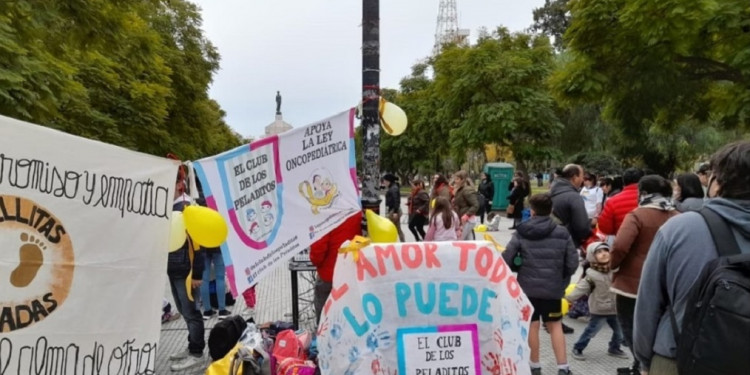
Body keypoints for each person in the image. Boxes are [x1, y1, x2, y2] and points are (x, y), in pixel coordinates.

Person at [634, 141, 750, 375]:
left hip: (678, 358)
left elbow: (648, 304)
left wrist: (645, 361)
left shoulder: (680, 228)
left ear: (718, 182)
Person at [503, 193, 578, 375]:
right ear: (551, 210)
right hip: (553, 289)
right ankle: (563, 367)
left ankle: (534, 365)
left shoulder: (521, 231)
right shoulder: (562, 232)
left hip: (527, 288)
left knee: (532, 326)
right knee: (555, 325)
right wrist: (562, 279)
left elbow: (506, 258)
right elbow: (573, 263)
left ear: (532, 211)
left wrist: (517, 266)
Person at [610, 175, 678, 375]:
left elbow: (621, 246)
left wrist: (613, 265)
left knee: (632, 329)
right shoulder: (677, 215)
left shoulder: (637, 215)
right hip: (667, 284)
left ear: (644, 193)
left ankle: (641, 365)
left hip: (633, 285)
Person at [167, 170, 206, 371]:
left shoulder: (186, 207)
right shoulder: (169, 206)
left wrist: (197, 273)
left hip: (186, 270)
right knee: (184, 311)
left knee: (191, 312)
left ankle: (196, 352)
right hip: (173, 268)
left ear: (179, 184)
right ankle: (192, 345)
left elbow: (197, 241)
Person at [567, 242, 627, 361]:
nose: (604, 254)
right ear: (592, 257)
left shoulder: (615, 270)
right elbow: (580, 289)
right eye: (599, 252)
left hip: (615, 308)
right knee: (591, 332)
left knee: (620, 332)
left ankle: (614, 348)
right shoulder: (591, 275)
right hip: (599, 310)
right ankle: (578, 347)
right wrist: (567, 298)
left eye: (605, 250)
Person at [310, 212, 362, 322]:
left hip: (329, 276)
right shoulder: (357, 212)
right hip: (351, 273)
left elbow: (318, 250)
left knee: (325, 317)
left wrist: (315, 261)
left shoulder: (326, 214)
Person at [550, 164, 591, 248]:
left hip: (550, 243)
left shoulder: (550, 193)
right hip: (569, 244)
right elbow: (582, 228)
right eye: (582, 176)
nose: (583, 179)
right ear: (575, 177)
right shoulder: (574, 197)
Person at [599, 168, 644, 237]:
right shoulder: (653, 200)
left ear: (624, 181)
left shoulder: (612, 201)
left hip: (621, 240)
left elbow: (604, 228)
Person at [200, 246, 231, 320]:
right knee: (220, 278)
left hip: (202, 246)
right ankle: (222, 311)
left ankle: (207, 311)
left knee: (204, 280)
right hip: (218, 246)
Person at [452, 170, 479, 240]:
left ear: (463, 180)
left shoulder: (466, 190)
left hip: (467, 219)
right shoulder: (461, 190)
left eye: (457, 179)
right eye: (455, 179)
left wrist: (467, 215)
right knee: (469, 240)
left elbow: (475, 205)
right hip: (464, 219)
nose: (455, 181)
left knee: (460, 239)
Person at [382, 174, 404, 242]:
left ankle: (388, 242)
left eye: (384, 181)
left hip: (393, 210)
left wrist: (395, 212)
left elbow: (396, 200)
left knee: (386, 226)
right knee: (398, 228)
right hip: (394, 210)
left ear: (389, 181)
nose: (384, 182)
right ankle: (402, 242)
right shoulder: (393, 187)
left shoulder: (393, 188)